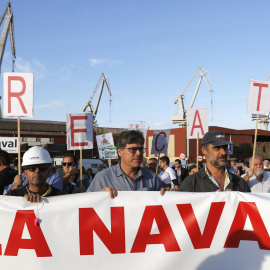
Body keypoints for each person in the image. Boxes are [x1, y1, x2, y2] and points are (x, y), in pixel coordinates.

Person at [87, 130, 162, 197]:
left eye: (141, 149)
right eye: (133, 149)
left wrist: (167, 194)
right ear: (120, 152)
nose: (138, 153)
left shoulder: (152, 177)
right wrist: (100, 197)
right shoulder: (103, 178)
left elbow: (161, 206)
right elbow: (88, 206)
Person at [179, 130, 250, 192]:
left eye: (225, 147)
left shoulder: (240, 182)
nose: (223, 152)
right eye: (217, 148)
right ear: (204, 150)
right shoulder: (191, 183)